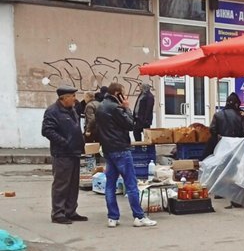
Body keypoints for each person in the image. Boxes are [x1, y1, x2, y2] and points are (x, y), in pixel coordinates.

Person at [95, 82, 157, 227]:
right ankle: (139, 216)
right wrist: (127, 108)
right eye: (123, 92)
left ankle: (112, 217)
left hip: (108, 149)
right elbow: (131, 125)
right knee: (131, 183)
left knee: (110, 184)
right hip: (121, 148)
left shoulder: (101, 107)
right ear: (118, 94)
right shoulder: (116, 108)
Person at [41, 85, 87, 225]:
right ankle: (58, 213)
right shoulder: (52, 111)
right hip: (62, 153)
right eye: (72, 96)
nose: (75, 99)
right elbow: (47, 131)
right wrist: (64, 142)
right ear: (64, 98)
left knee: (73, 184)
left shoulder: (72, 109)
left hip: (74, 152)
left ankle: (70, 211)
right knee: (61, 184)